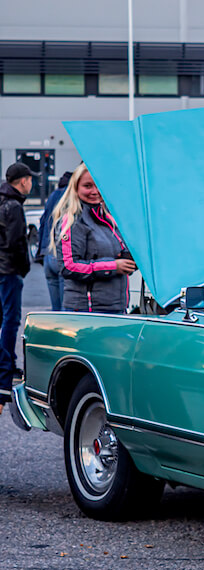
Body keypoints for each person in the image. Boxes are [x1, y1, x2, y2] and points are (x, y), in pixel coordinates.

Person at [51, 163, 135, 313]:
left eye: (98, 185)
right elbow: (68, 266)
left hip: (115, 307)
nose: (94, 191)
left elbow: (120, 255)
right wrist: (113, 266)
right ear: (75, 188)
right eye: (88, 186)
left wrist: (132, 261)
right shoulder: (73, 221)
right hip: (87, 311)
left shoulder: (109, 218)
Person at [0, 162, 34, 414]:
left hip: (2, 268)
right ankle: (6, 367)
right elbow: (16, 242)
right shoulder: (13, 206)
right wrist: (23, 268)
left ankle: (6, 362)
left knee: (4, 318)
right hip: (9, 270)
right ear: (23, 181)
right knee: (11, 320)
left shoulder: (3, 201)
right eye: (30, 180)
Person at [39, 170, 70, 310]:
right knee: (65, 312)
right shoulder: (69, 196)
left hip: (48, 254)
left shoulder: (53, 195)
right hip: (60, 254)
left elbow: (42, 221)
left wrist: (41, 252)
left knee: (55, 312)